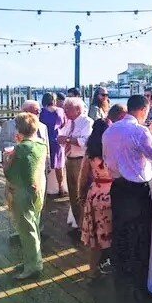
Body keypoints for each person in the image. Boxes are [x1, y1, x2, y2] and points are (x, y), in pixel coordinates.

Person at [102, 94, 152, 302]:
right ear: (144, 110)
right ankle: (139, 286)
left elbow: (107, 159)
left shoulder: (110, 130)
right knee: (140, 236)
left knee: (120, 233)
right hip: (137, 189)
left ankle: (120, 279)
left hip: (117, 186)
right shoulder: (140, 131)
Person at [2, 113, 47, 280]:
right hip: (38, 190)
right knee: (33, 225)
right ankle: (33, 259)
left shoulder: (21, 149)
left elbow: (9, 172)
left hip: (22, 192)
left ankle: (33, 266)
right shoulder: (41, 144)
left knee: (26, 229)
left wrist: (7, 158)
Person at [78, 119, 114, 284]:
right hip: (112, 193)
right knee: (112, 233)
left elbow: (83, 176)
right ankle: (113, 266)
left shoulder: (90, 152)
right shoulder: (112, 150)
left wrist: (81, 196)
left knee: (95, 237)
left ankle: (93, 269)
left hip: (96, 193)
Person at [58, 97, 93, 238]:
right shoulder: (69, 123)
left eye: (68, 108)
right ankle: (78, 225)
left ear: (78, 109)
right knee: (73, 194)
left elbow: (85, 142)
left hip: (81, 161)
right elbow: (62, 137)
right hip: (69, 159)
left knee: (81, 194)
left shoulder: (87, 122)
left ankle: (85, 226)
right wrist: (64, 140)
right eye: (65, 108)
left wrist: (67, 139)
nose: (65, 111)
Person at [39, 92, 67, 195]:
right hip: (57, 139)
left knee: (44, 165)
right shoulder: (60, 111)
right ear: (54, 100)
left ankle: (45, 188)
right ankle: (61, 187)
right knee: (60, 165)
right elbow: (64, 124)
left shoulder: (41, 113)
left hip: (45, 139)